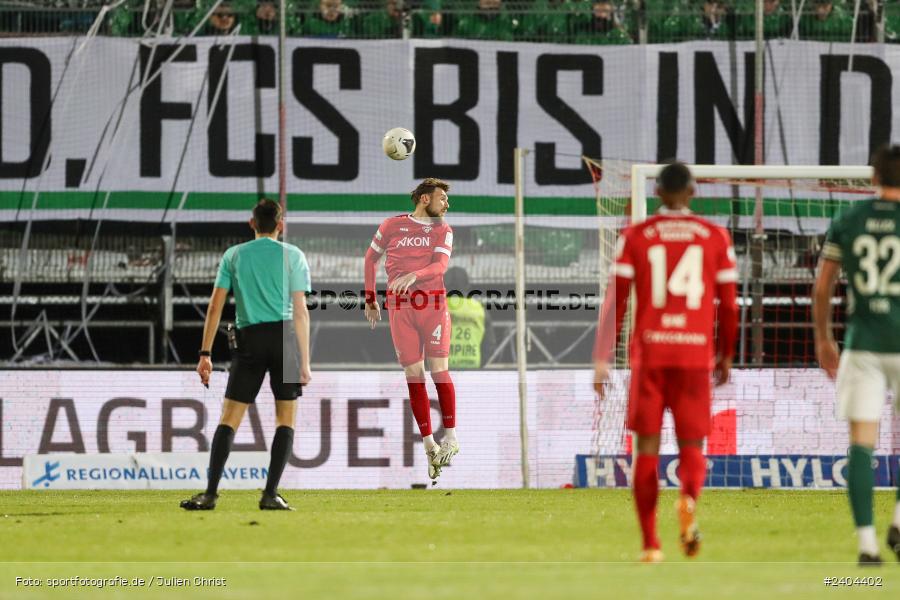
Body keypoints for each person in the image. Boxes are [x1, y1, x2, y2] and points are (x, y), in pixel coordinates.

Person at [593, 162, 738, 563]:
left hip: (651, 356)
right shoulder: (715, 237)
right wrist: (725, 352)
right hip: (694, 356)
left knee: (646, 450)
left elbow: (616, 300)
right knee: (693, 445)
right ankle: (687, 500)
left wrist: (601, 358)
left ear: (657, 193)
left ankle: (651, 545)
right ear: (692, 192)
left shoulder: (636, 236)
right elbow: (728, 304)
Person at [181, 199, 312, 511]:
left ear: (251, 223)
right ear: (280, 225)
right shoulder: (293, 256)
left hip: (249, 340)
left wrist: (205, 353)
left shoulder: (234, 255)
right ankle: (270, 495)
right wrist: (305, 362)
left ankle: (210, 494)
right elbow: (301, 312)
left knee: (230, 419)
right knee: (286, 420)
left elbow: (215, 306)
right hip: (285, 340)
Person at [813, 144, 900, 566]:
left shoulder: (849, 220)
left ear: (873, 177)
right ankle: (899, 521)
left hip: (863, 344)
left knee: (862, 445)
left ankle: (868, 547)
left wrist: (823, 338)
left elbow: (823, 285)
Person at [363, 178, 458, 482]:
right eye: (442, 198)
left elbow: (440, 267)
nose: (446, 204)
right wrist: (370, 298)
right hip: (400, 310)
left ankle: (451, 437)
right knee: (413, 377)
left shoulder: (444, 229)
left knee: (439, 371)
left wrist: (415, 275)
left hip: (432, 306)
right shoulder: (391, 225)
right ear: (424, 198)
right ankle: (429, 444)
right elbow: (370, 259)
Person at [444, 267, 494, 370]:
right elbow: (489, 344)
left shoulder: (434, 309)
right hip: (472, 369)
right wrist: (479, 364)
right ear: (467, 286)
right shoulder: (480, 309)